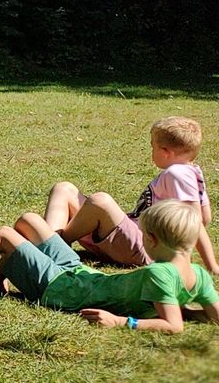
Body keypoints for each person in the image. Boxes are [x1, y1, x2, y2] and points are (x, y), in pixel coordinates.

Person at [0, 200, 217, 334]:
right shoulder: (199, 276)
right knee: (29, 220)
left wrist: (122, 322)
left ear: (151, 239)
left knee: (4, 235)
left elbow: (172, 326)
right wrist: (193, 313)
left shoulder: (161, 273)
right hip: (82, 276)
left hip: (65, 291)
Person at [43, 116, 217, 275]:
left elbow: (195, 221)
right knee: (64, 189)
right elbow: (206, 217)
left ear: (166, 152)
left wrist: (211, 266)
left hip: (148, 246)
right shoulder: (192, 172)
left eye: (153, 147)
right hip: (134, 237)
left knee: (100, 202)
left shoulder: (177, 174)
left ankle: (52, 247)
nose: (151, 152)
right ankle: (49, 242)